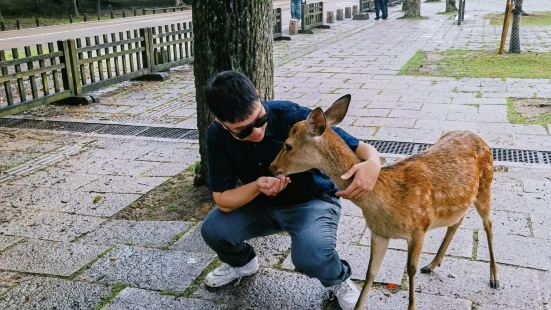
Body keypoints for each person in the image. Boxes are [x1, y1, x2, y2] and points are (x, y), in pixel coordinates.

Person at [200, 70, 381, 310]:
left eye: (260, 121)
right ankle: (242, 263)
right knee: (213, 230)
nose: (256, 133)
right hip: (260, 204)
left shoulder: (293, 116)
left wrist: (373, 164)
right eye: (243, 131)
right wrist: (256, 186)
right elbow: (222, 199)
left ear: (257, 95)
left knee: (310, 256)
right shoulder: (217, 136)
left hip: (312, 202)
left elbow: (360, 148)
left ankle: (338, 280)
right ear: (221, 123)